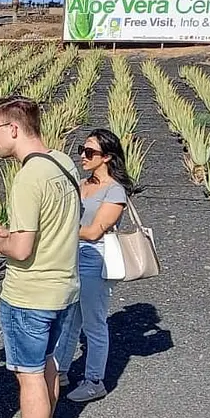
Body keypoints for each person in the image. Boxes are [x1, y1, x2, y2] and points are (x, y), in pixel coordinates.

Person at [0, 96, 80, 418]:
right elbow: (52, 228)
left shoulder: (27, 178)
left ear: (14, 129)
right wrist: (8, 234)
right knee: (50, 367)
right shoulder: (63, 163)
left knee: (30, 375)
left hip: (30, 294)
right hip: (65, 287)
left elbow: (21, 249)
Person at [55, 129, 132, 402]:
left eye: (90, 152)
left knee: (94, 323)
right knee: (69, 319)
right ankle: (61, 371)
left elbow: (95, 230)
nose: (83, 156)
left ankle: (94, 380)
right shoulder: (82, 184)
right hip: (71, 256)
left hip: (94, 259)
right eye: (82, 150)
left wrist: (58, 229)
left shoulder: (115, 191)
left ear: (107, 156)